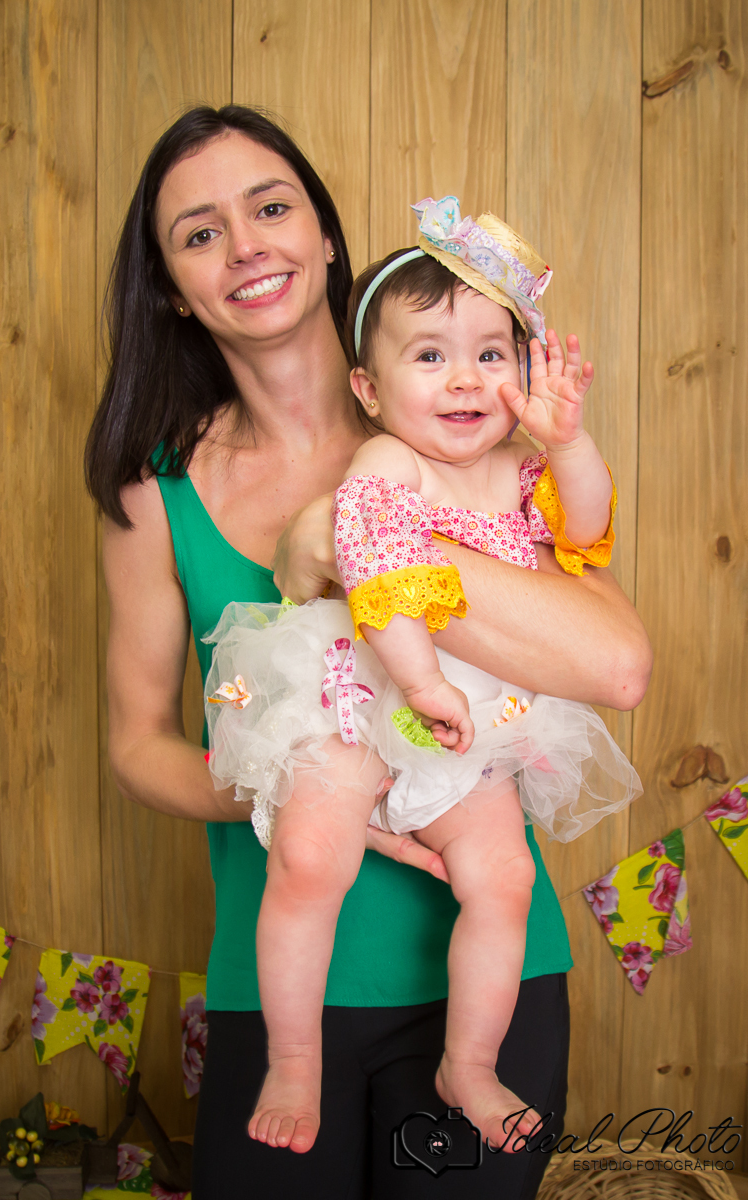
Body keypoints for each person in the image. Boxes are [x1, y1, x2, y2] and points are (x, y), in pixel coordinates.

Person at [85, 106, 651, 1200]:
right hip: (283, 987)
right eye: (199, 233)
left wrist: (349, 544)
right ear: (167, 283)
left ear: (326, 236)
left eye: (271, 206)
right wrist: (291, 782)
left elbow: (617, 665)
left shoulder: (473, 434)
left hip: (491, 974)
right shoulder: (154, 493)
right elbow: (136, 745)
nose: (246, 244)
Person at [205, 199, 642, 1155]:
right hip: (360, 690)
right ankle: (292, 1055)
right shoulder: (388, 460)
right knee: (311, 857)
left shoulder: (520, 472)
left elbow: (582, 531)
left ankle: (469, 1063)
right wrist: (422, 679)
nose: (464, 379)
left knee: (503, 877)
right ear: (368, 386)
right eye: (430, 355)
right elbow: (374, 563)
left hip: (472, 718)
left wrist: (566, 443)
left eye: (493, 353)